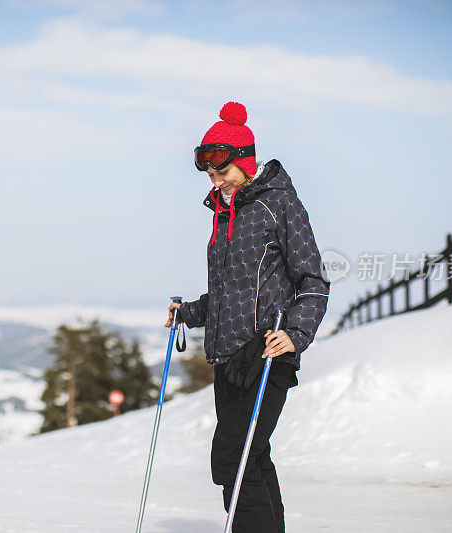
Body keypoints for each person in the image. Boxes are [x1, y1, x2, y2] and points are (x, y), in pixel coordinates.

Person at [164, 101, 330, 532]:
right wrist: (190, 313)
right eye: (211, 176)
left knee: (232, 457)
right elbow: (230, 291)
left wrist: (296, 333)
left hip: (267, 348)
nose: (217, 182)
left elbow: (313, 279)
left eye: (223, 173)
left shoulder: (280, 204)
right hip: (229, 355)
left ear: (245, 162)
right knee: (252, 456)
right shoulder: (225, 213)